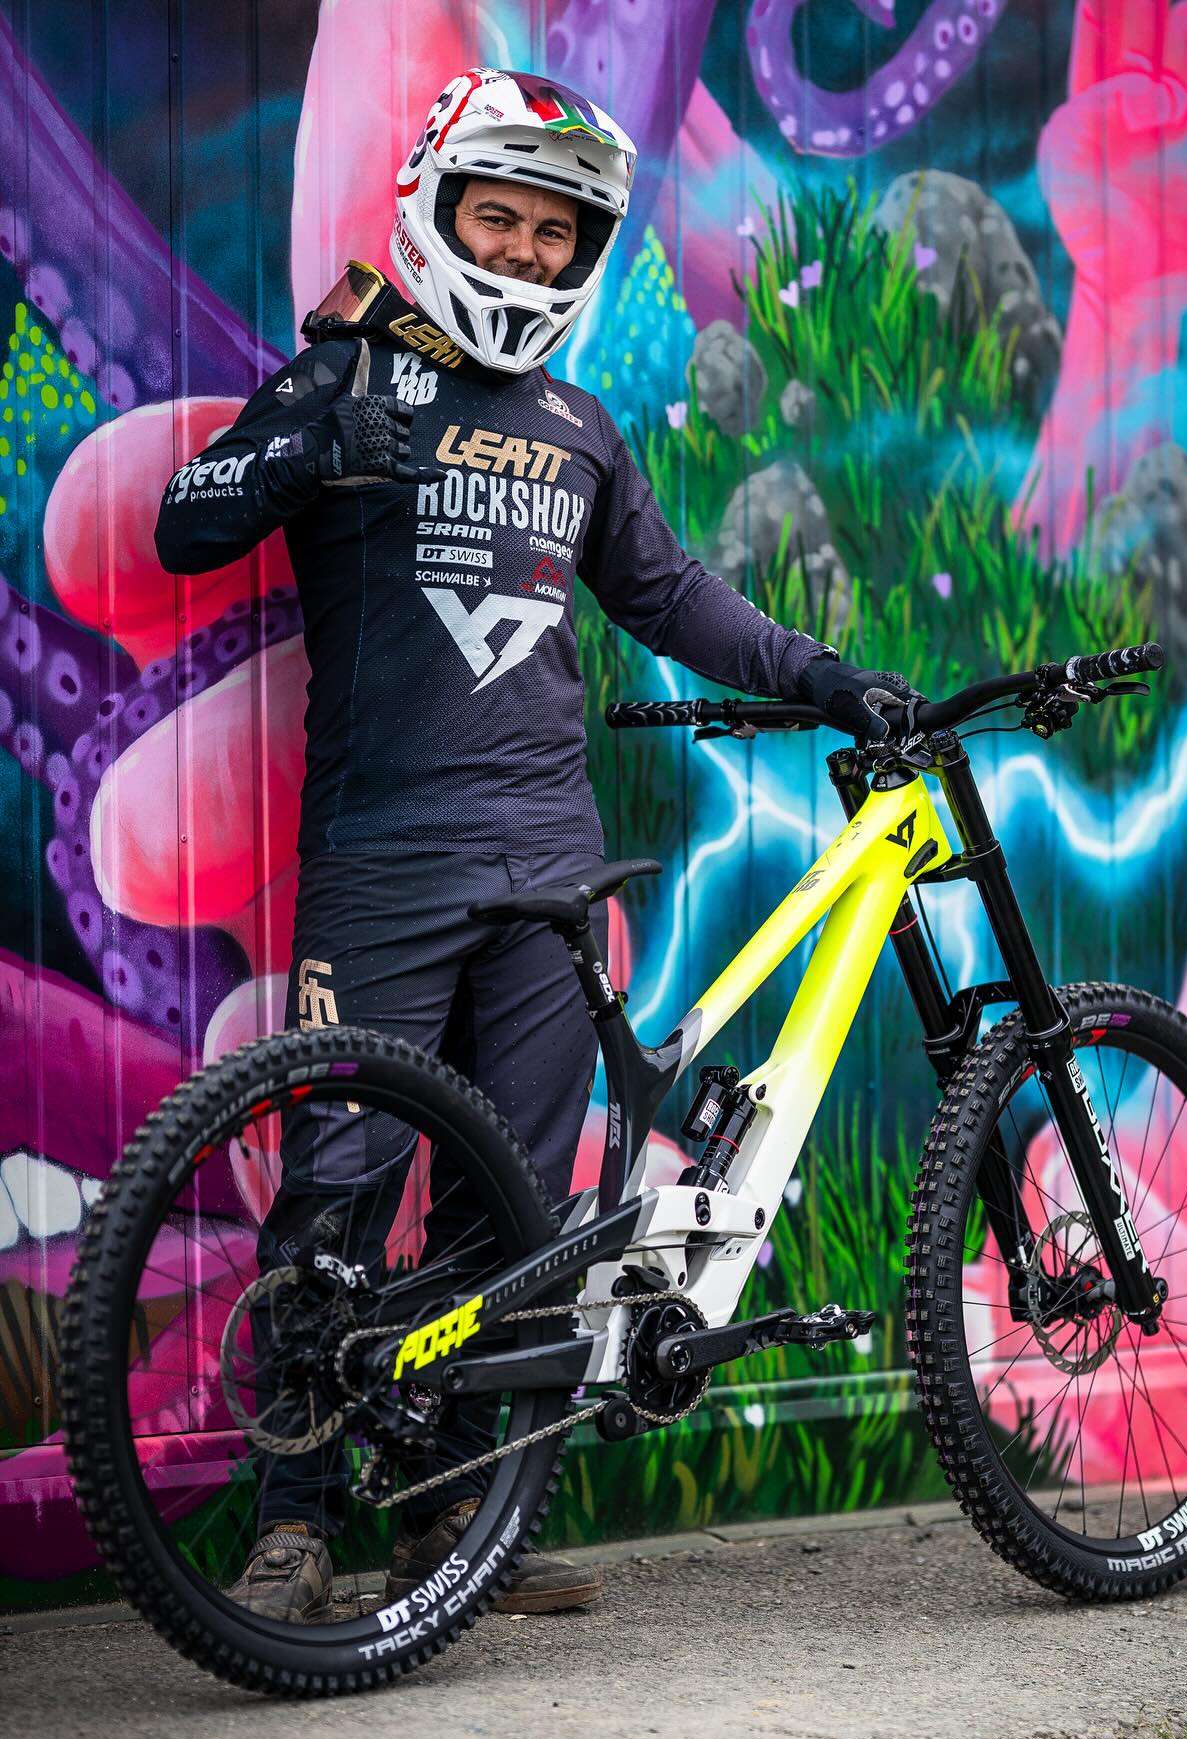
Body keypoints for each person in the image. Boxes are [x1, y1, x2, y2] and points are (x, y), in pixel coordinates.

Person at [155, 67, 917, 1625]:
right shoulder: (342, 372)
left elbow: (672, 596)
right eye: (494, 218)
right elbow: (187, 521)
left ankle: (456, 1520)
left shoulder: (578, 426)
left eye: (551, 233)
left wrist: (825, 677)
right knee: (336, 1194)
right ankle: (295, 1528)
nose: (519, 252)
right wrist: (310, 447)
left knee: (508, 1206)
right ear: (437, 213)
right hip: (383, 861)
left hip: (552, 870)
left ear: (582, 255)